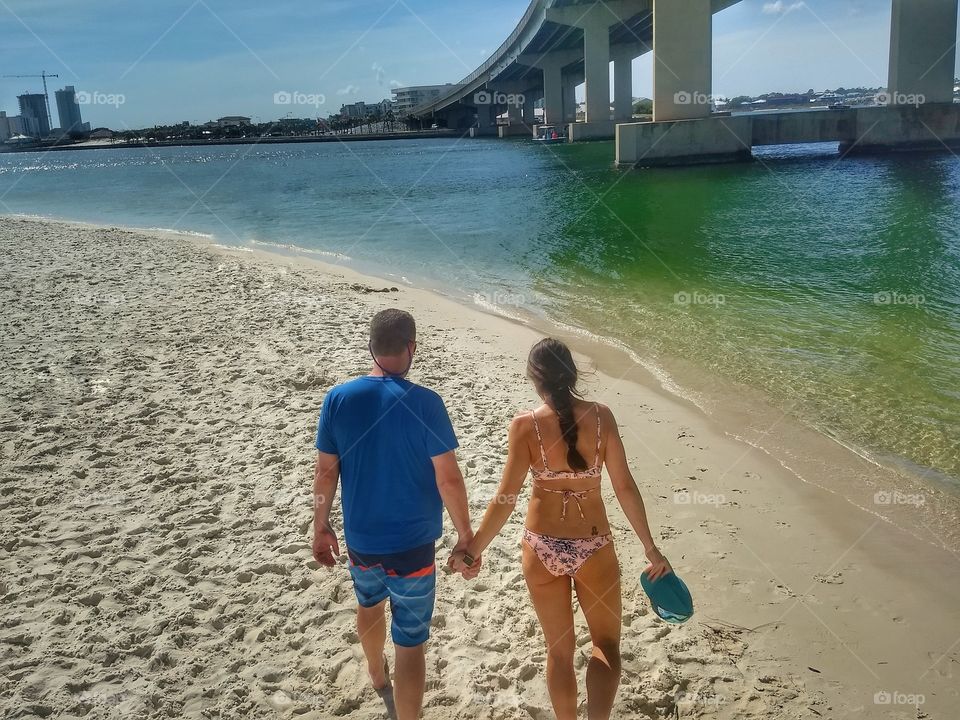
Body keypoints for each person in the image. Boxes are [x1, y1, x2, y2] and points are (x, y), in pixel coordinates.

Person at [450, 338, 670, 720]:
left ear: (535, 377)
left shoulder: (524, 426)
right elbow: (624, 487)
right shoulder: (602, 418)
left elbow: (506, 498)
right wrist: (650, 548)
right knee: (605, 644)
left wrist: (472, 549)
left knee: (559, 651)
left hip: (541, 548)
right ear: (571, 374)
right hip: (594, 546)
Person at [313, 309, 480, 720]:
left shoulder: (338, 399)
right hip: (413, 547)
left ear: (371, 346)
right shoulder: (427, 403)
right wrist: (466, 535)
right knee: (410, 640)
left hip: (362, 540)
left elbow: (325, 471)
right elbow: (449, 480)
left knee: (368, 604)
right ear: (411, 348)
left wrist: (319, 526)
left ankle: (374, 672)